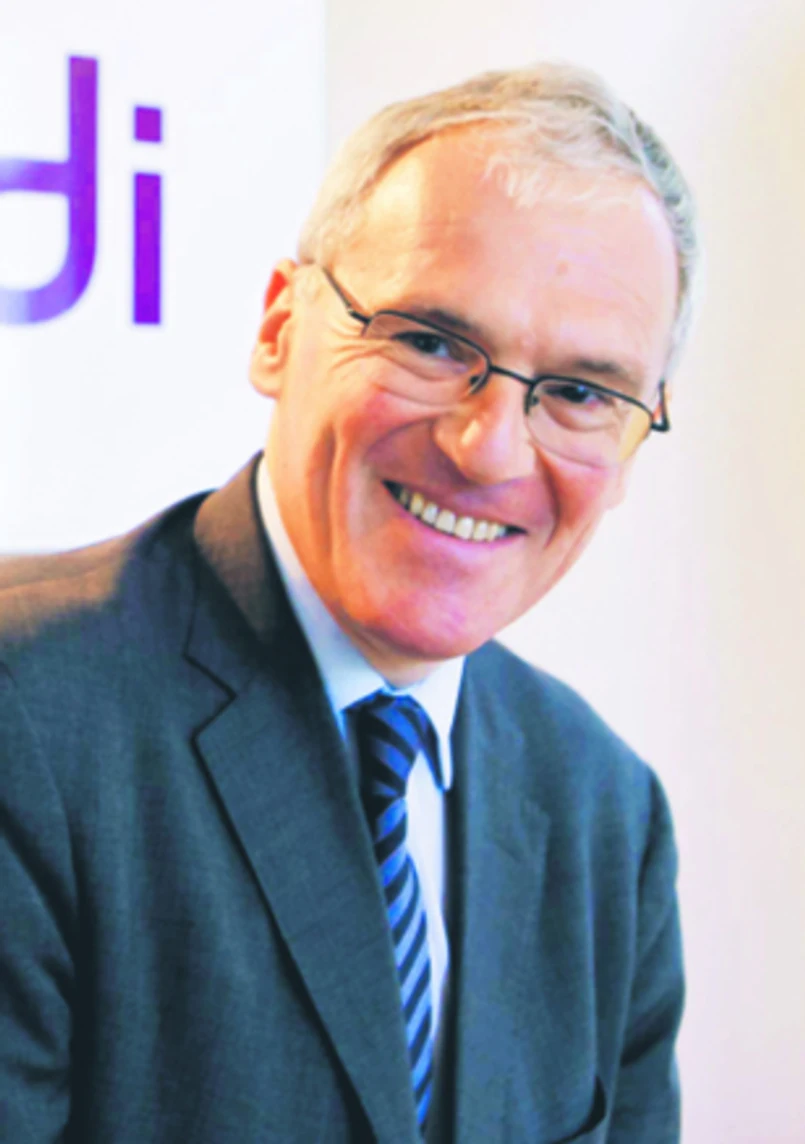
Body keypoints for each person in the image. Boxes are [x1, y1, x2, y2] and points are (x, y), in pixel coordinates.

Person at [0, 62, 697, 1143]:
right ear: (280, 329)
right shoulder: (27, 712)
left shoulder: (606, 812)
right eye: (430, 341)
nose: (488, 449)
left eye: (578, 392)